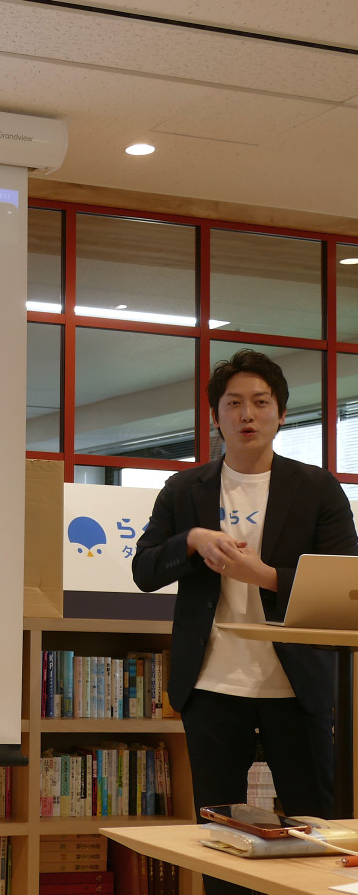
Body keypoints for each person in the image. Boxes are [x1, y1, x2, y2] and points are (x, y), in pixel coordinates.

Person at [133, 349, 358, 895]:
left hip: (297, 686)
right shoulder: (185, 489)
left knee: (316, 832)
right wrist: (190, 541)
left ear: (281, 414)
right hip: (212, 685)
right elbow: (144, 571)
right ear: (216, 417)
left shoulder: (316, 488)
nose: (247, 414)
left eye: (260, 402)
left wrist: (266, 576)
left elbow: (346, 581)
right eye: (233, 404)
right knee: (221, 840)